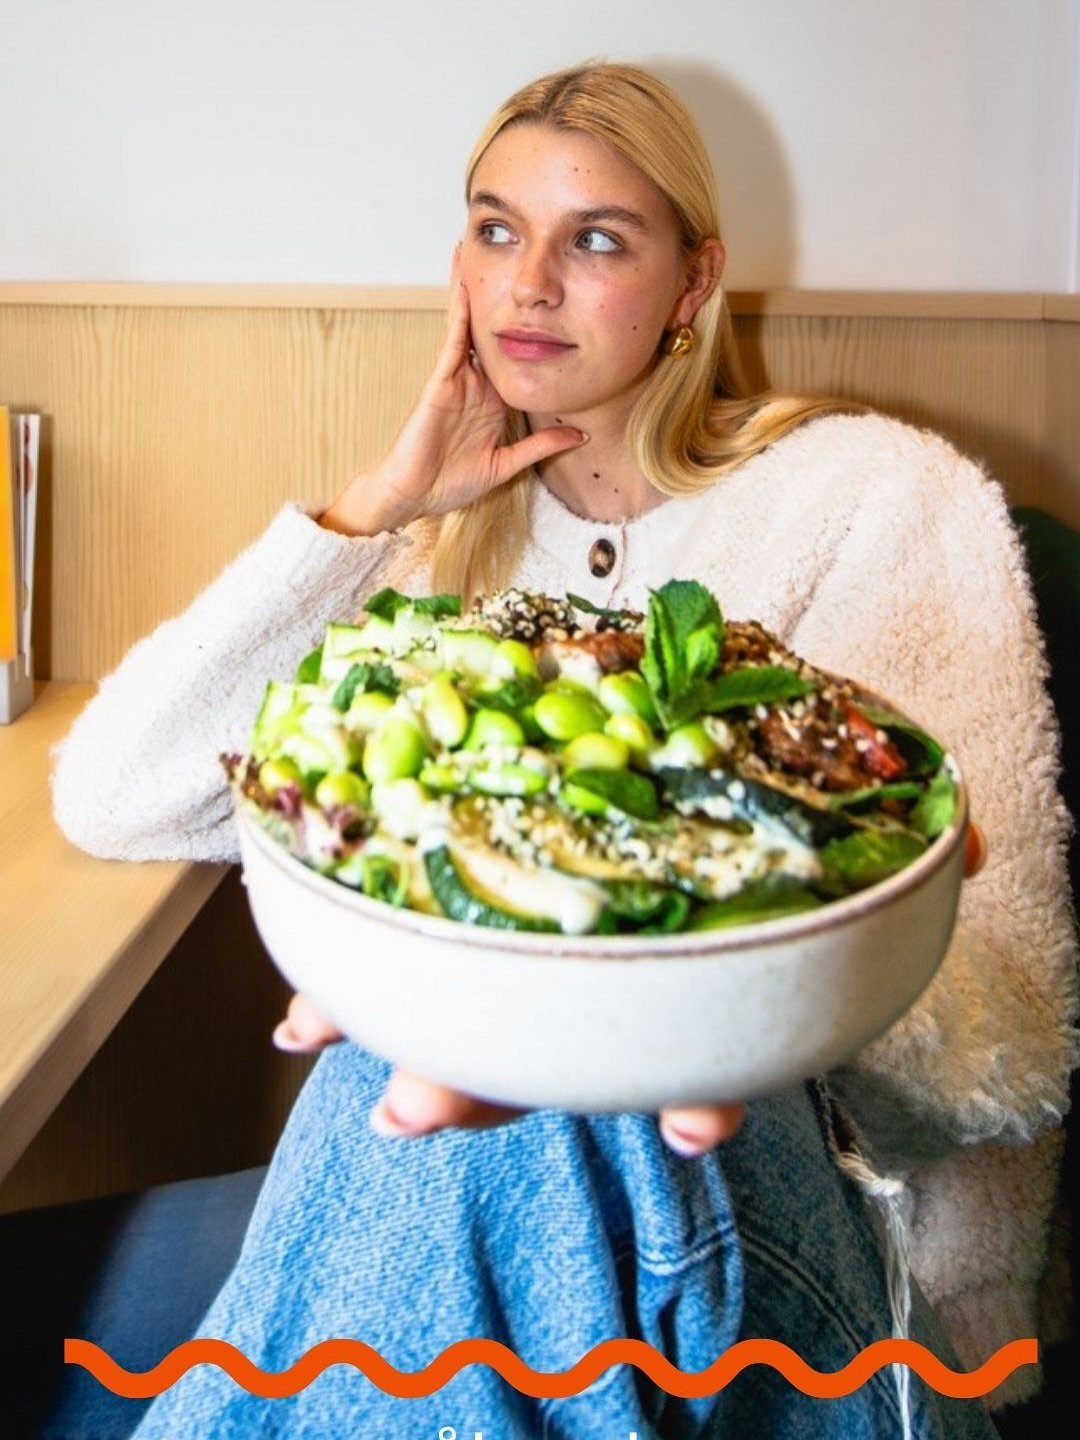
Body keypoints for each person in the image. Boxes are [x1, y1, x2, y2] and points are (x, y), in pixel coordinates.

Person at [9, 59, 1075, 1440]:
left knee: (542, 1052)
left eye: (598, 241)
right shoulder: (444, 570)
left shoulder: (872, 500)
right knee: (452, 1071)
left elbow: (1014, 1048)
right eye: (498, 229)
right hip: (493, 1243)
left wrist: (690, 982)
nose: (528, 286)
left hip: (833, 1298)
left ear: (695, 283)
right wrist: (375, 510)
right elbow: (118, 792)